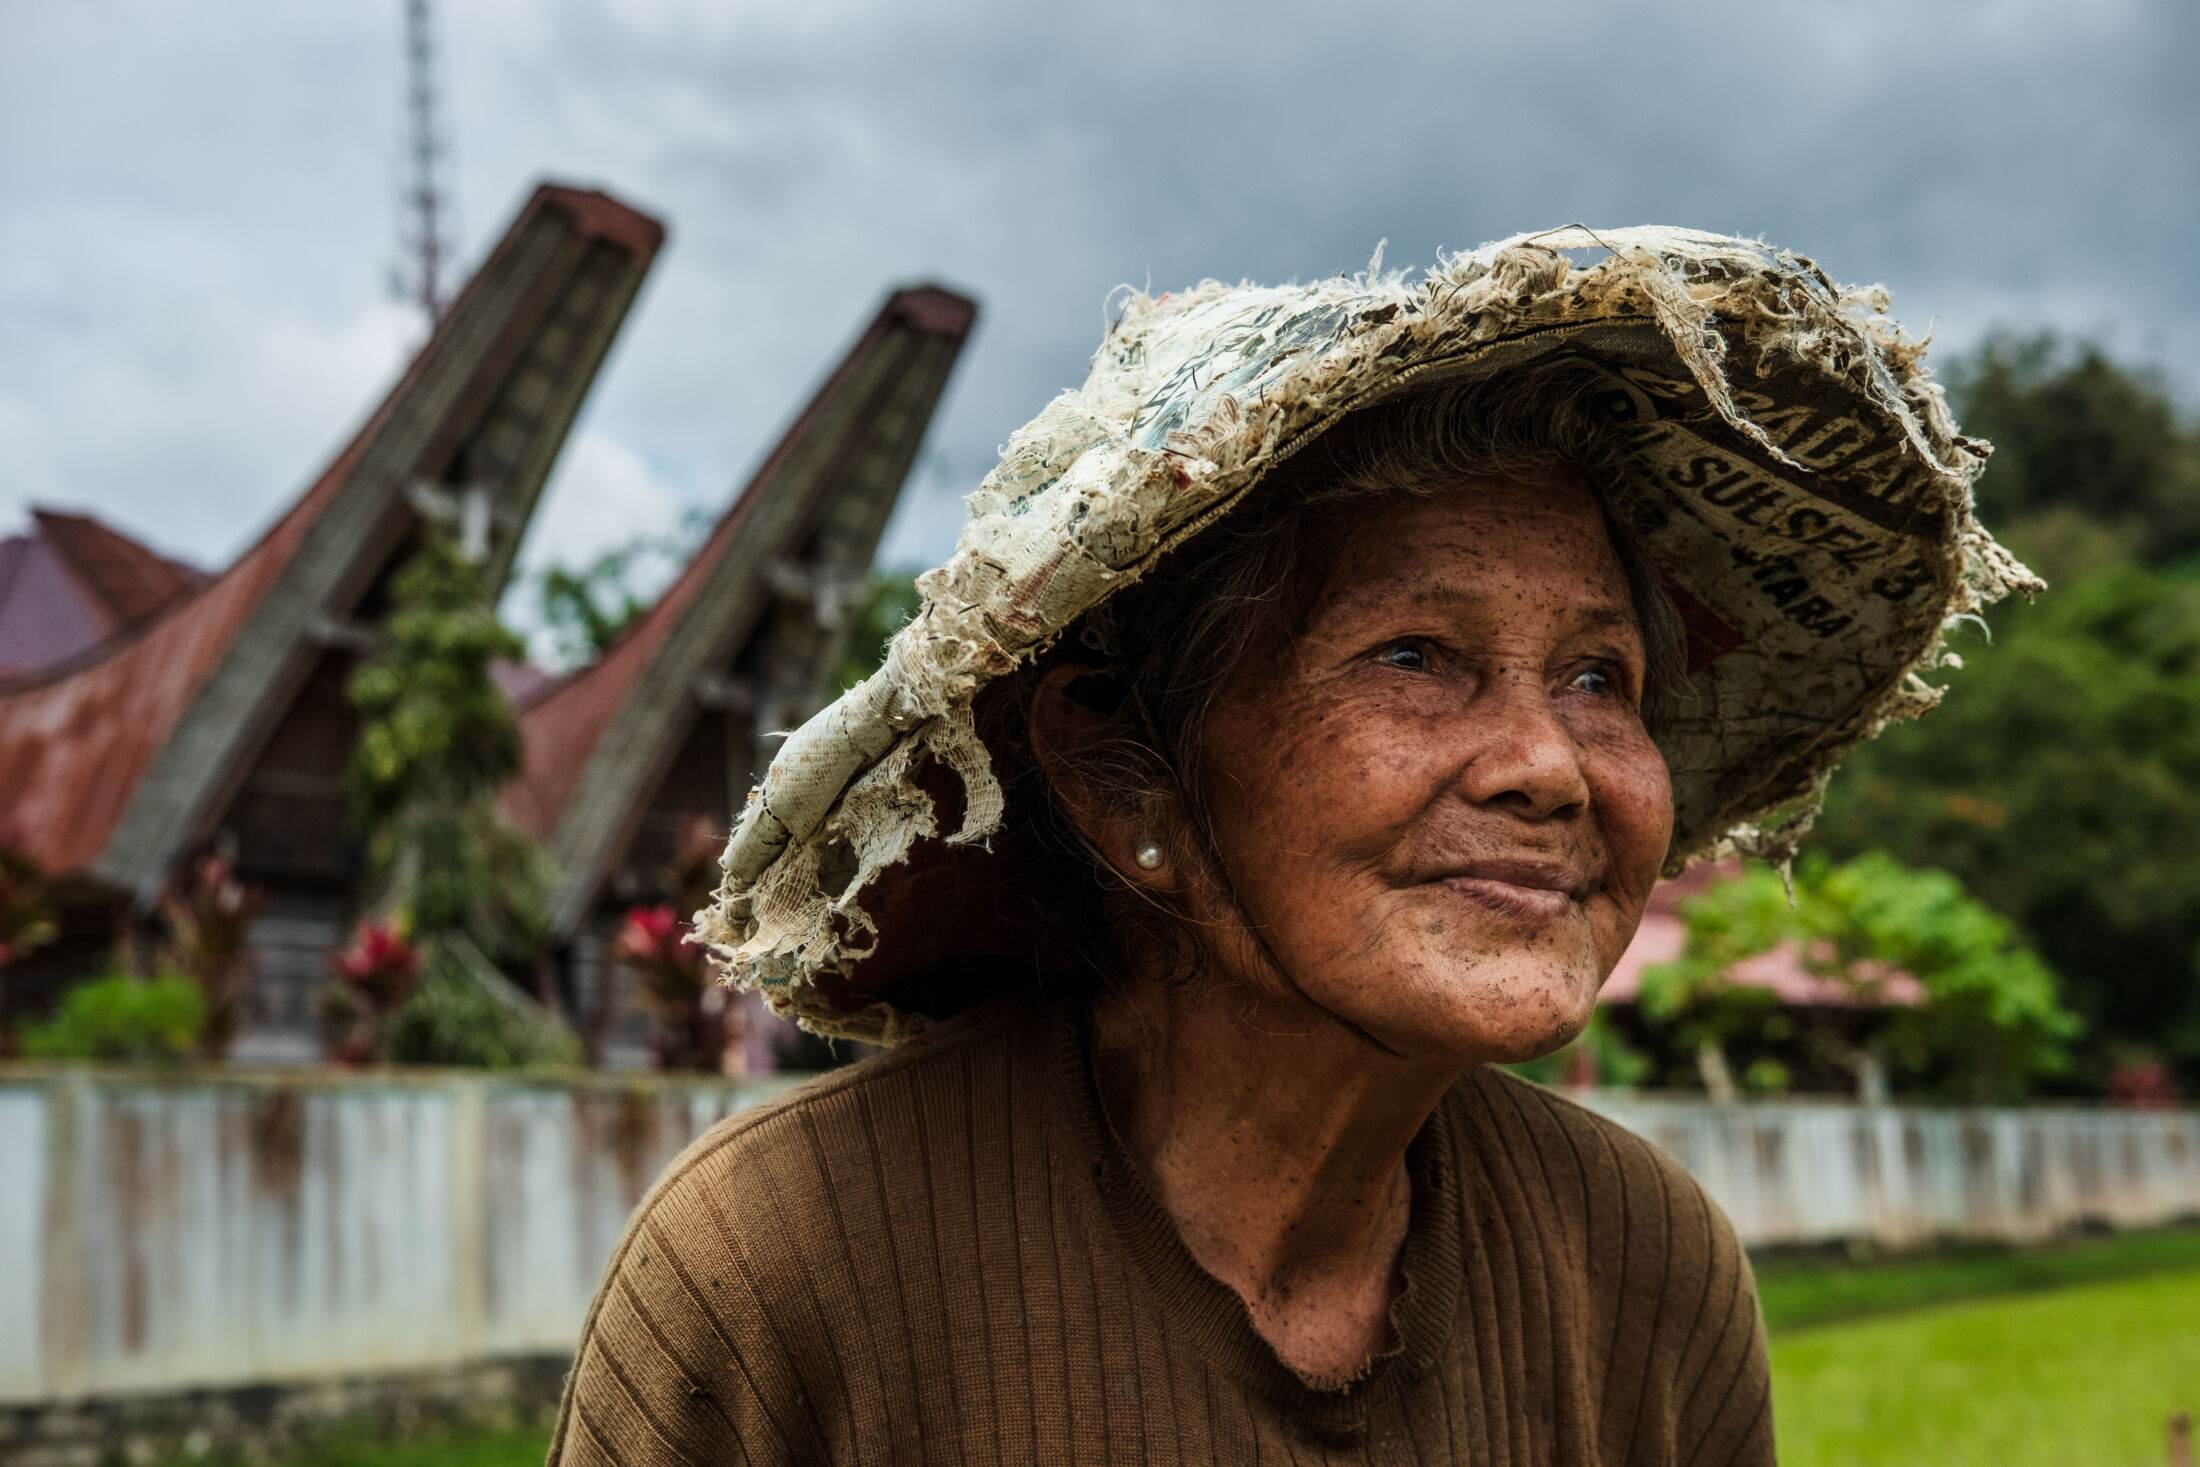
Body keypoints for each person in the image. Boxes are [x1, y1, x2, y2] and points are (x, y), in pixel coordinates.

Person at [548, 228, 2034, 1464]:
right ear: (1128, 786)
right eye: (1416, 655)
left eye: (1599, 677)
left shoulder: (1640, 1266)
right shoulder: (778, 1267)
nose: (1547, 767)